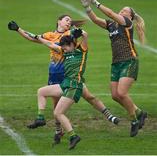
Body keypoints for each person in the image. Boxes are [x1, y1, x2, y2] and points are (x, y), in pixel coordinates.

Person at [8, 15, 119, 144]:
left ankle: (108, 116)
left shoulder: (70, 33)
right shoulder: (50, 35)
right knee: (56, 105)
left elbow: (82, 36)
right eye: (67, 20)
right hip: (55, 74)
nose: (69, 22)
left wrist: (79, 33)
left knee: (88, 97)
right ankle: (58, 130)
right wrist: (18, 29)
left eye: (70, 21)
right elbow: (33, 37)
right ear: (58, 21)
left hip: (70, 75)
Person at [79, 0, 147, 137]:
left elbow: (110, 13)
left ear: (130, 16)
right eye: (121, 10)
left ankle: (134, 120)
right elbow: (96, 19)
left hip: (129, 60)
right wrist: (87, 7)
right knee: (115, 95)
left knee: (122, 93)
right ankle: (140, 113)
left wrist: (96, 2)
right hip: (116, 63)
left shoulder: (126, 22)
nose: (122, 11)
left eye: (125, 11)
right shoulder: (111, 24)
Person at [33, 32, 88, 149]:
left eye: (66, 47)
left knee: (58, 113)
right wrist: (38, 38)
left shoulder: (81, 51)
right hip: (66, 84)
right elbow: (51, 45)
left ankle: (73, 136)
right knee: (41, 91)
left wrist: (82, 33)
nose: (64, 50)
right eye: (63, 48)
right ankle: (40, 118)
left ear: (72, 44)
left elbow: (86, 36)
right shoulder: (64, 51)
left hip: (75, 85)